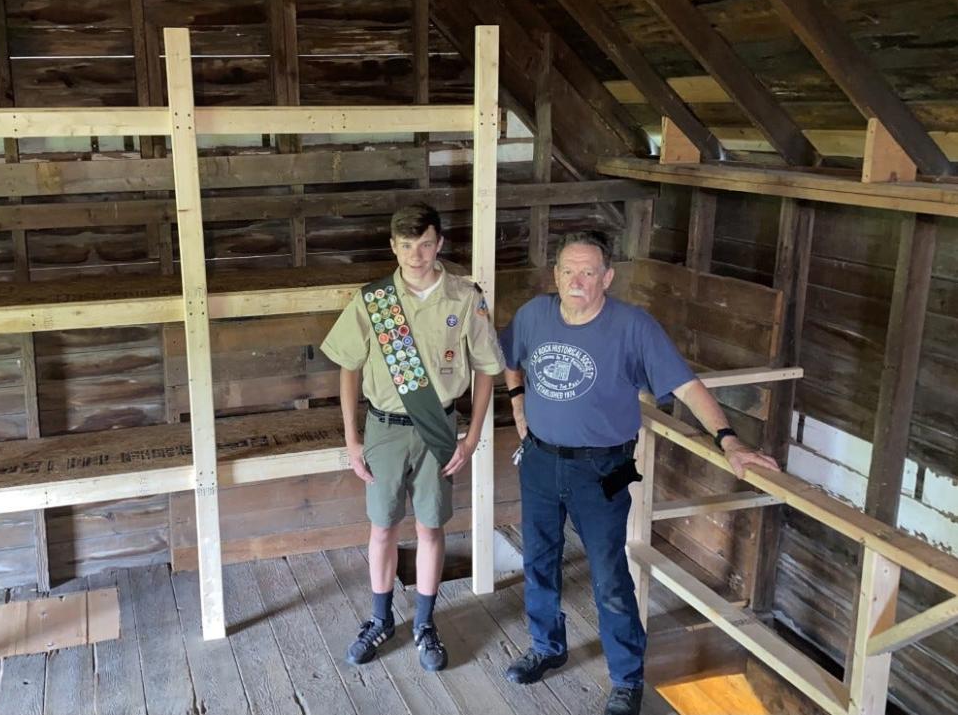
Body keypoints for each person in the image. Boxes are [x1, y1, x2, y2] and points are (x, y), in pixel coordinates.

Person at [498, 230, 779, 715]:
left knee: (608, 575)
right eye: (568, 270)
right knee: (538, 560)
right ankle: (547, 647)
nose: (577, 281)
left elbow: (686, 386)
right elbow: (507, 358)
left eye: (589, 272)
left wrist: (728, 439)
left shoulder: (633, 327)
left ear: (607, 277)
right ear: (556, 275)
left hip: (600, 467)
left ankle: (627, 677)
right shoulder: (533, 315)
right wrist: (517, 403)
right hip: (541, 461)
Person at [320, 203, 504, 672]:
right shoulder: (374, 300)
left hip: (439, 426)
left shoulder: (465, 297)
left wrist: (473, 435)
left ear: (439, 243)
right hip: (383, 426)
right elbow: (348, 365)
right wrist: (352, 438)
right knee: (382, 526)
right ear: (393, 247)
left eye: (425, 244)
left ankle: (424, 623)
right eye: (406, 246)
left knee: (431, 526)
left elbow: (487, 368)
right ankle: (380, 619)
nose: (416, 255)